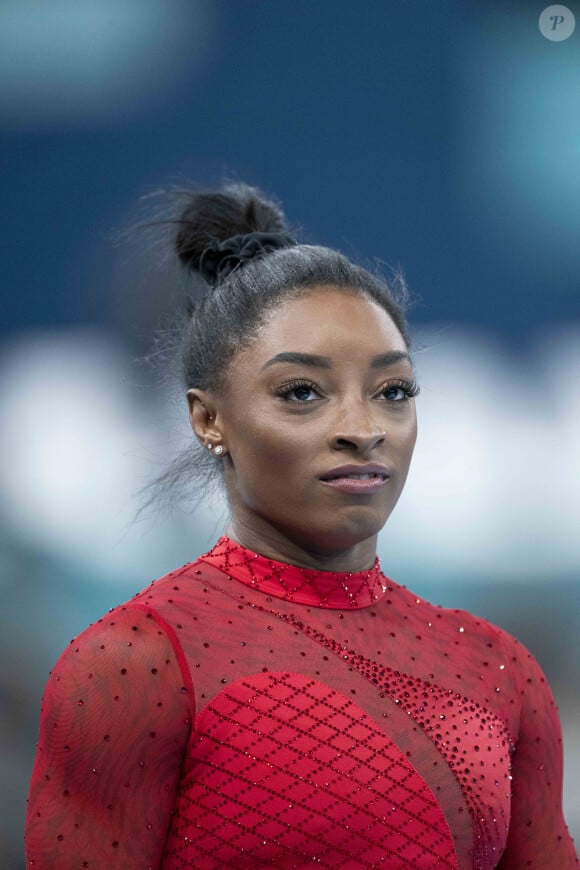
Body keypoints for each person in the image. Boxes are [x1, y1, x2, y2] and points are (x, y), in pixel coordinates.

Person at [25, 184, 577, 869]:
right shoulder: (134, 668)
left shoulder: (500, 671)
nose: (362, 430)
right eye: (302, 393)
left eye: (393, 391)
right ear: (208, 419)